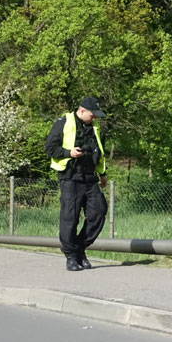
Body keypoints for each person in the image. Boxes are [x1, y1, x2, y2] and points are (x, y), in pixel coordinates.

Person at [45, 97, 108, 271]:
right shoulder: (64, 122)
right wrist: (68, 152)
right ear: (81, 111)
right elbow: (50, 147)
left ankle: (80, 249)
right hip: (70, 177)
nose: (94, 118)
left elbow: (100, 152)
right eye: (92, 114)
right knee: (70, 218)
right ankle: (71, 256)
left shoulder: (95, 127)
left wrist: (103, 174)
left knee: (99, 212)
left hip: (90, 177)